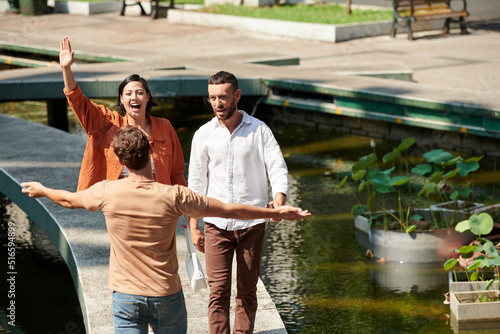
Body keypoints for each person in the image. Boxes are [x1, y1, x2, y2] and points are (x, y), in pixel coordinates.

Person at [21, 126, 310, 334]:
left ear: (120, 161)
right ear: (150, 151)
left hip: (125, 296)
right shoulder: (175, 196)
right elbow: (230, 209)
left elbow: (69, 200)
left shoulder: (105, 192)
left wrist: (43, 189)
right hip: (166, 296)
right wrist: (276, 212)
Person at [188, 71, 289, 334]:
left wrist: (279, 201)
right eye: (212, 98)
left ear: (237, 95)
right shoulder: (203, 135)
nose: (217, 103)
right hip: (215, 225)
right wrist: (193, 225)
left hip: (252, 225)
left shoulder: (259, 130)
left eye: (222, 97)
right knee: (218, 292)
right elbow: (196, 184)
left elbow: (277, 167)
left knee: (246, 291)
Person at [59, 36, 186, 191]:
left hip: (157, 202)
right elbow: (79, 102)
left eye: (139, 92)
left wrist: (188, 208)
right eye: (128, 93)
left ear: (148, 97)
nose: (134, 97)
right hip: (120, 201)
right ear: (121, 99)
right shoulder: (107, 123)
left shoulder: (164, 127)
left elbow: (177, 173)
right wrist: (66, 69)